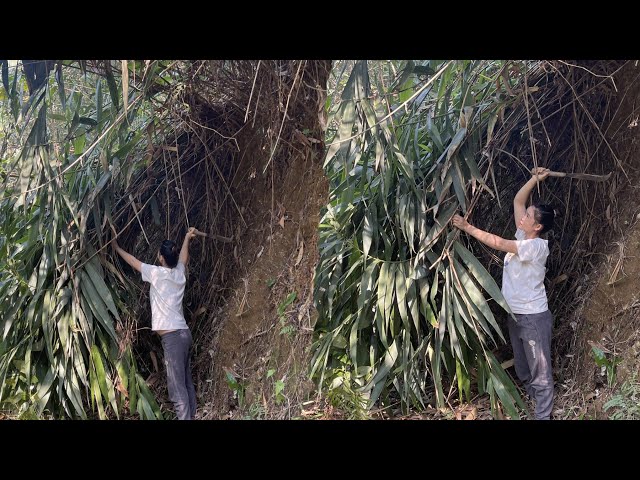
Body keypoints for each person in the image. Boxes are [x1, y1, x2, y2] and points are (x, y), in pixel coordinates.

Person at [452, 167, 556, 420]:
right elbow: (518, 201)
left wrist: (467, 227)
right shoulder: (523, 235)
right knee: (523, 368)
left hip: (532, 317)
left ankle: (544, 415)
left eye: (529, 216)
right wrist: (535, 178)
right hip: (516, 315)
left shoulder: (536, 247)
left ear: (538, 226)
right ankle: (534, 402)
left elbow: (498, 243)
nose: (523, 216)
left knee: (540, 372)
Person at [112, 226, 199, 420]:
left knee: (177, 390)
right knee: (186, 383)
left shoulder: (156, 274)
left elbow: (134, 261)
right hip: (184, 335)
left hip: (173, 338)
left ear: (161, 257)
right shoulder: (179, 274)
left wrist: (117, 249)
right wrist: (186, 238)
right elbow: (184, 258)